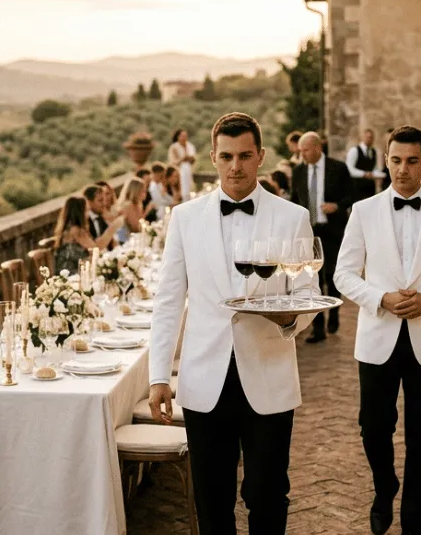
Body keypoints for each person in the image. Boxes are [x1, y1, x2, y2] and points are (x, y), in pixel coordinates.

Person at [148, 112, 318, 535]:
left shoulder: (291, 216)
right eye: (226, 156)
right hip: (205, 380)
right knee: (212, 500)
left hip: (269, 373)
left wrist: (288, 319)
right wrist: (157, 376)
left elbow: (308, 293)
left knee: (267, 495)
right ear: (212, 158)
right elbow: (169, 299)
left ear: (260, 156)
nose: (235, 166)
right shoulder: (185, 219)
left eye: (245, 155)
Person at [334, 125, 421, 535]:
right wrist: (380, 298)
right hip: (377, 335)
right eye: (395, 160)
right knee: (372, 426)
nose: (403, 169)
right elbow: (342, 274)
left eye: (412, 161)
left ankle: (414, 514)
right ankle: (384, 487)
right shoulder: (363, 211)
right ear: (386, 160)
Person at [291, 131, 354, 343]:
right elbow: (293, 200)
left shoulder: (338, 168)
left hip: (333, 230)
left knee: (332, 277)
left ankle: (334, 314)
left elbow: (351, 196)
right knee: (312, 278)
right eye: (300, 152)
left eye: (305, 151)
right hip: (308, 232)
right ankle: (317, 328)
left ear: (317, 148)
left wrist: (336, 206)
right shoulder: (298, 171)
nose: (302, 155)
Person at [51, 195, 123, 275]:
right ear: (79, 212)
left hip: (79, 270)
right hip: (71, 275)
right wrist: (112, 228)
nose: (88, 215)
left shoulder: (71, 227)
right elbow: (96, 248)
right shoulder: (75, 230)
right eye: (86, 211)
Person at [347, 128, 383, 202]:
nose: (369, 139)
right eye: (368, 137)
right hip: (357, 187)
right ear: (363, 137)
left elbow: (374, 167)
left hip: (370, 188)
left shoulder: (374, 151)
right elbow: (349, 169)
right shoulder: (354, 150)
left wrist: (376, 174)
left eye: (371, 138)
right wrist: (364, 174)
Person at [114, 178, 146, 244]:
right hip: (125, 241)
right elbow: (136, 227)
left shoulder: (138, 204)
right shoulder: (128, 205)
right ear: (136, 191)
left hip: (134, 239)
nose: (145, 193)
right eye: (142, 191)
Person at [169, 129, 197, 201]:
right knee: (181, 190)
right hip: (178, 172)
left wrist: (188, 158)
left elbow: (193, 159)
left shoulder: (190, 146)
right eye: (182, 136)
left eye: (185, 136)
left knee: (189, 190)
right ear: (178, 137)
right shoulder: (174, 147)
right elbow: (173, 161)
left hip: (188, 170)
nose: (184, 137)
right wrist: (182, 158)